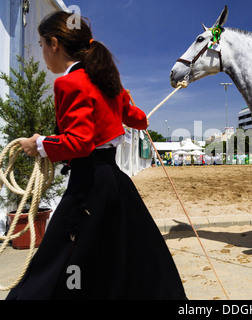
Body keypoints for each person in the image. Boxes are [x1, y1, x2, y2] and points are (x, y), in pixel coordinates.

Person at [8, 11, 186, 300]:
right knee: (127, 255)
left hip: (88, 184)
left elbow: (79, 143)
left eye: (41, 45)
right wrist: (123, 97)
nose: (42, 52)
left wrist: (39, 144)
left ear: (54, 43)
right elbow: (138, 119)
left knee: (60, 257)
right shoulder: (106, 82)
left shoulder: (68, 83)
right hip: (115, 182)